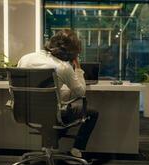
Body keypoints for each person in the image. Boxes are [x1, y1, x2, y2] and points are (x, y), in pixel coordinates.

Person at [17, 30, 98, 158]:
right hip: (51, 114)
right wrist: (78, 69)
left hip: (24, 112)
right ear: (72, 53)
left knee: (54, 107)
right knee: (90, 113)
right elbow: (81, 92)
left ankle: (50, 143)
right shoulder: (63, 67)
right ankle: (76, 149)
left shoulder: (25, 58)